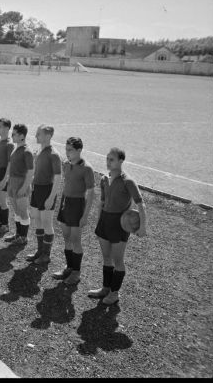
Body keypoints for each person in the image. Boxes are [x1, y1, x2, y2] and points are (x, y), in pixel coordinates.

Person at [89, 147, 147, 305]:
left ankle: (115, 294)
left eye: (112, 159)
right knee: (106, 258)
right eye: (107, 159)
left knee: (118, 260)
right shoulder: (103, 179)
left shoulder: (128, 181)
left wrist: (143, 227)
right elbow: (102, 203)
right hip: (104, 223)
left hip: (119, 225)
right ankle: (105, 288)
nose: (108, 162)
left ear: (121, 161)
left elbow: (141, 205)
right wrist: (99, 222)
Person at [53, 137, 95, 285]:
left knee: (76, 240)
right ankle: (69, 267)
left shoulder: (87, 168)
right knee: (66, 237)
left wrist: (85, 216)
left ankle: (76, 272)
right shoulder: (66, 164)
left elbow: (91, 194)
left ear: (79, 150)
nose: (67, 152)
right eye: (66, 149)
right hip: (66, 202)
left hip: (77, 205)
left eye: (70, 150)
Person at [26, 124, 62, 265]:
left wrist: (51, 197)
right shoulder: (40, 151)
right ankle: (40, 251)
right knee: (37, 220)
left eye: (38, 134)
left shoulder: (54, 154)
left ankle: (46, 255)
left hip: (47, 190)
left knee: (47, 222)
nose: (35, 136)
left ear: (48, 136)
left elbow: (58, 178)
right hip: (37, 190)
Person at [4, 124, 34, 245]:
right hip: (12, 182)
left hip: (21, 183)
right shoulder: (16, 148)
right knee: (16, 211)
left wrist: (24, 187)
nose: (12, 136)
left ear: (22, 136)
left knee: (23, 211)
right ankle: (18, 235)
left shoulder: (27, 151)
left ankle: (23, 237)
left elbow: (31, 172)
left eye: (14, 134)